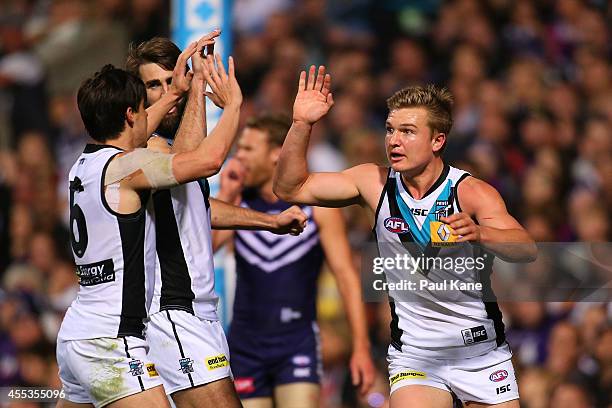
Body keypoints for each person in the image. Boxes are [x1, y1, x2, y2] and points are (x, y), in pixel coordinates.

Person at [273, 66, 538, 408]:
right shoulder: (373, 182)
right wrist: (302, 124)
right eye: (390, 130)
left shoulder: (471, 192)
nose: (394, 140)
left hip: (479, 350)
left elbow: (526, 248)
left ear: (437, 140)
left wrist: (481, 232)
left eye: (408, 132)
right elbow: (289, 187)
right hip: (415, 354)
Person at [55, 43, 243, 408]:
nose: (150, 115)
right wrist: (233, 105)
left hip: (77, 334)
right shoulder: (128, 169)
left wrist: (174, 93)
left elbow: (135, 131)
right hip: (112, 341)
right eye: (144, 108)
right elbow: (205, 162)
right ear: (129, 114)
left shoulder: (82, 166)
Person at [125, 35, 307, 408]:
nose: (165, 91)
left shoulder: (168, 143)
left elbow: (196, 206)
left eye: (170, 79)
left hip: (196, 312)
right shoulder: (146, 144)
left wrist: (268, 221)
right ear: (138, 95)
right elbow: (197, 162)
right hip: (172, 310)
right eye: (153, 85)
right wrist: (207, 94)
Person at [213, 113, 376, 408]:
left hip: (296, 342)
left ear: (276, 153)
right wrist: (226, 194)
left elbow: (346, 275)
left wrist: (360, 346)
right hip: (245, 344)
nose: (239, 157)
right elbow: (206, 251)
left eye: (248, 149)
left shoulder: (318, 208)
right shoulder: (239, 203)